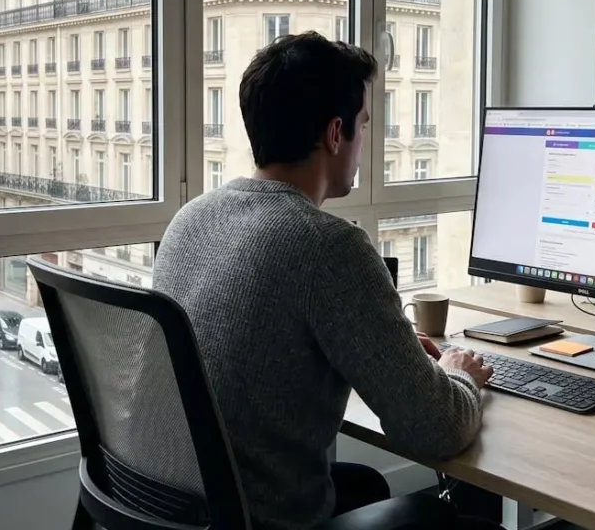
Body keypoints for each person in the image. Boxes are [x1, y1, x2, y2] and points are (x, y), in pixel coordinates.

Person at [153, 32, 495, 530]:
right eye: (364, 124)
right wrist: (458, 372)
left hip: (178, 508)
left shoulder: (190, 218)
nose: (364, 141)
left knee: (365, 486)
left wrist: (391, 351)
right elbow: (437, 430)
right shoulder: (329, 246)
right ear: (336, 134)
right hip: (258, 520)